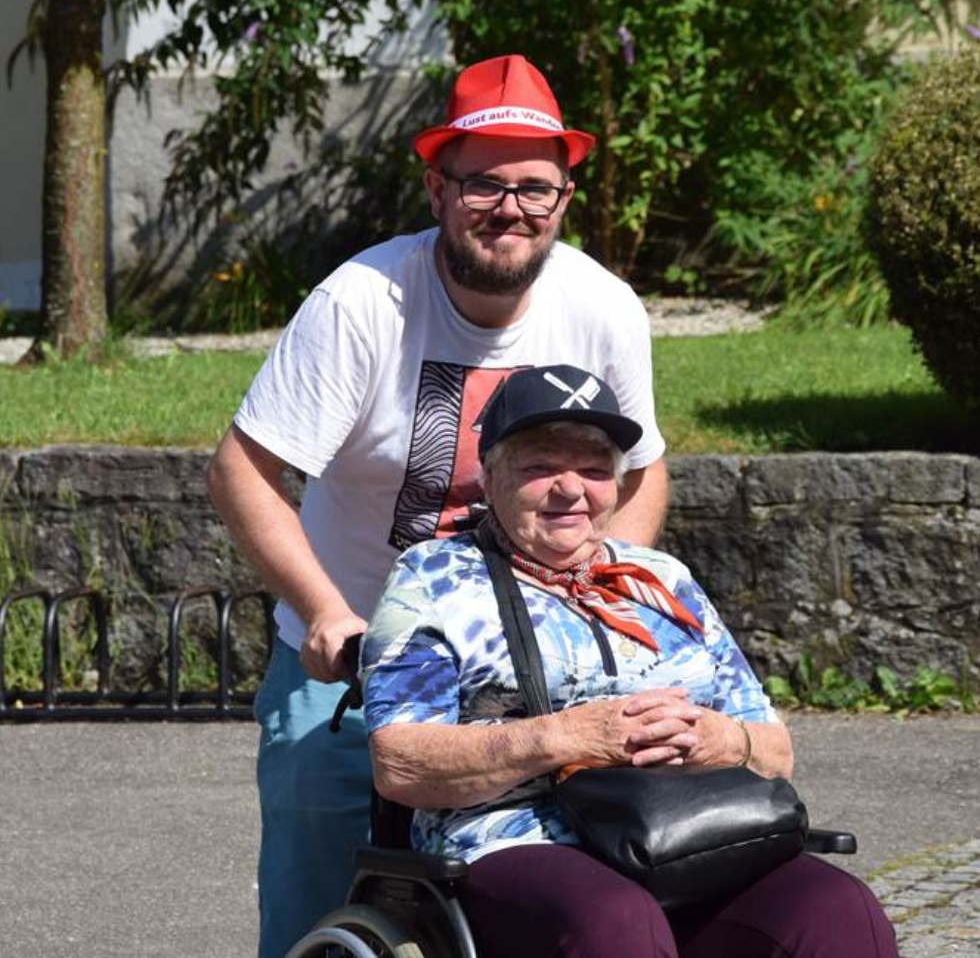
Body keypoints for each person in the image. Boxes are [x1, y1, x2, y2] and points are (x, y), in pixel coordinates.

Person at [206, 55, 670, 957]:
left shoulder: (602, 307)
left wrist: (602, 600)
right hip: (352, 664)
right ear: (436, 187)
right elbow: (240, 470)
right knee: (313, 909)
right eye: (484, 184)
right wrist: (326, 613)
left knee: (557, 905)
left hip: (529, 669)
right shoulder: (361, 304)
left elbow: (643, 471)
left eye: (535, 188)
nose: (511, 209)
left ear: (565, 197)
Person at [360, 364, 899, 958]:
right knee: (616, 922)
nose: (571, 489)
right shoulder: (432, 579)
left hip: (691, 831)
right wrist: (568, 737)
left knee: (839, 909)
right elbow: (400, 763)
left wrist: (716, 737)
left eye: (594, 470)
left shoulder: (662, 579)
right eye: (540, 467)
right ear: (489, 477)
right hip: (517, 836)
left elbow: (775, 752)